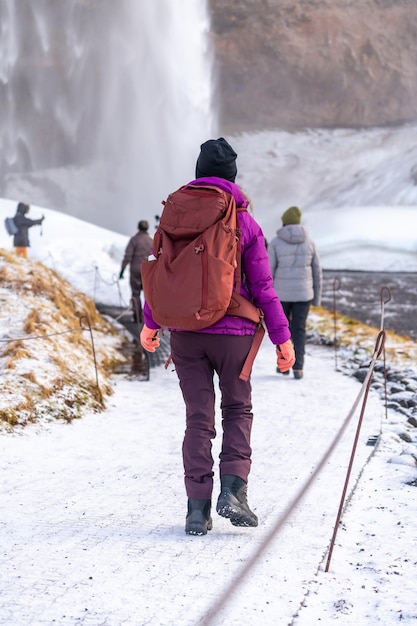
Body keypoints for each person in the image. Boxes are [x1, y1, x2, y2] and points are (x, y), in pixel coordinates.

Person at [140, 137, 295, 536]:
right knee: (237, 410)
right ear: (232, 177)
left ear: (198, 174)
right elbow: (263, 287)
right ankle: (233, 491)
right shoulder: (244, 221)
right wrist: (283, 338)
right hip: (235, 335)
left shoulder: (173, 216)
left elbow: (162, 275)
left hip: (187, 334)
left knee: (198, 418)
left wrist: (150, 323)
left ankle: (196, 510)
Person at [268, 206, 322, 380]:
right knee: (299, 329)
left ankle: (284, 365)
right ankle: (298, 368)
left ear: (284, 222)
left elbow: (268, 271)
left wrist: (266, 298)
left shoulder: (276, 242)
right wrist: (317, 298)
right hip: (303, 295)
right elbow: (317, 271)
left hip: (281, 295)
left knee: (281, 330)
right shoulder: (310, 242)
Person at [119, 220, 153, 322]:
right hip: (147, 270)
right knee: (147, 295)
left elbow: (128, 256)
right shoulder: (151, 241)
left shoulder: (134, 240)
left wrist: (122, 270)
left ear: (138, 228)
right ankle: (149, 318)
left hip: (135, 270)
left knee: (136, 293)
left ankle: (137, 318)